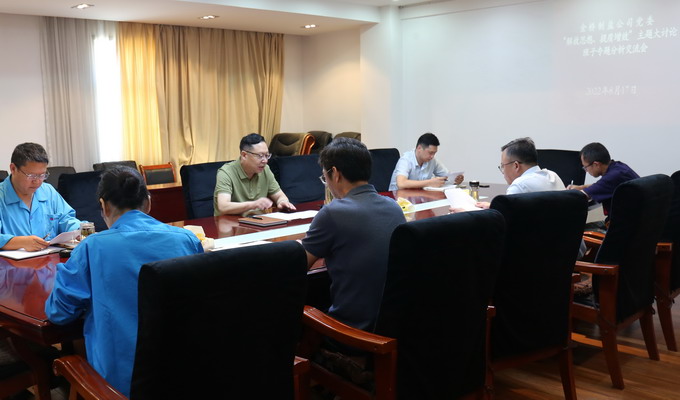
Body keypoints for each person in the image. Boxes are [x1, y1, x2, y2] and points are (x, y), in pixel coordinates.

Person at [45, 166, 204, 397]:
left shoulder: (92, 247)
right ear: (148, 203)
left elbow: (59, 313)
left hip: (119, 388)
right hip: (185, 376)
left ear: (104, 206)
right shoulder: (186, 239)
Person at [303, 138, 406, 331]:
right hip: (392, 328)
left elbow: (299, 265)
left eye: (325, 178)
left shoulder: (333, 213)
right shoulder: (394, 207)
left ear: (335, 173)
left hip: (351, 333)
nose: (327, 184)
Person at [0, 143, 81, 252]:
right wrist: (21, 242)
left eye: (42, 175)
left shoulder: (48, 191)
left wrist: (79, 230)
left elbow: (66, 219)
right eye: (31, 175)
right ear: (13, 168)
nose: (37, 181)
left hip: (49, 259)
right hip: (12, 262)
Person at [214, 133, 296, 215]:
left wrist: (282, 202)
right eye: (260, 156)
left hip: (257, 221)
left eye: (267, 155)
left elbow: (280, 196)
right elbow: (223, 207)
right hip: (230, 222)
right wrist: (253, 204)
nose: (265, 161)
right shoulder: (226, 173)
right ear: (244, 155)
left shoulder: (265, 169)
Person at [474, 137, 565, 209]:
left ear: (516, 166)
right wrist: (495, 207)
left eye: (503, 166)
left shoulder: (519, 186)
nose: (503, 172)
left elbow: (503, 219)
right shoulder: (553, 176)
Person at [567, 142, 639, 218]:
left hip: (625, 222)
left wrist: (563, 194)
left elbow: (581, 196)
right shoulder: (619, 167)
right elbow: (600, 185)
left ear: (596, 164)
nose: (586, 171)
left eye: (585, 167)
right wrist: (581, 187)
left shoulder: (612, 178)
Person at [388, 133, 464, 191]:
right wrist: (429, 183)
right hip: (397, 199)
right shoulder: (406, 160)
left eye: (434, 153)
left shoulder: (432, 160)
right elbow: (401, 183)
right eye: (430, 153)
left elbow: (447, 176)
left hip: (419, 196)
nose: (432, 156)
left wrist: (455, 180)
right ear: (419, 148)